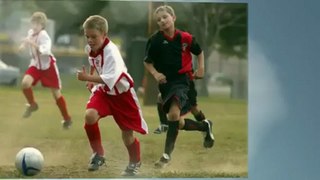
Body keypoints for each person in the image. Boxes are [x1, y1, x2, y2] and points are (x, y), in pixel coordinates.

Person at [144, 5, 215, 168]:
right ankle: (204, 126)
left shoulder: (185, 37)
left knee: (178, 114)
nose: (162, 21)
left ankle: (166, 156)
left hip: (183, 80)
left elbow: (199, 51)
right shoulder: (155, 40)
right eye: (159, 20)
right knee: (177, 121)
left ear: (173, 18)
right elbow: (147, 62)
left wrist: (201, 68)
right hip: (166, 84)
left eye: (165, 17)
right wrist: (156, 74)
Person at [77, 15, 148, 176]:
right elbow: (93, 62)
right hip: (104, 92)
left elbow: (109, 78)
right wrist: (91, 76)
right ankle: (98, 154)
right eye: (87, 36)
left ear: (104, 34)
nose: (90, 40)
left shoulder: (112, 52)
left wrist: (88, 78)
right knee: (90, 116)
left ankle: (134, 162)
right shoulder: (91, 48)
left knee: (127, 134)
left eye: (93, 37)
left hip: (122, 96)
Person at [18, 11, 72, 129]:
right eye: (33, 23)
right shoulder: (31, 32)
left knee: (56, 94)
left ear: (42, 25)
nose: (34, 26)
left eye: (37, 24)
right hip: (36, 65)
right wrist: (23, 46)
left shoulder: (44, 35)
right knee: (25, 83)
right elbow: (27, 40)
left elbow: (45, 50)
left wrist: (31, 43)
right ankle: (32, 105)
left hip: (48, 67)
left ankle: (67, 119)